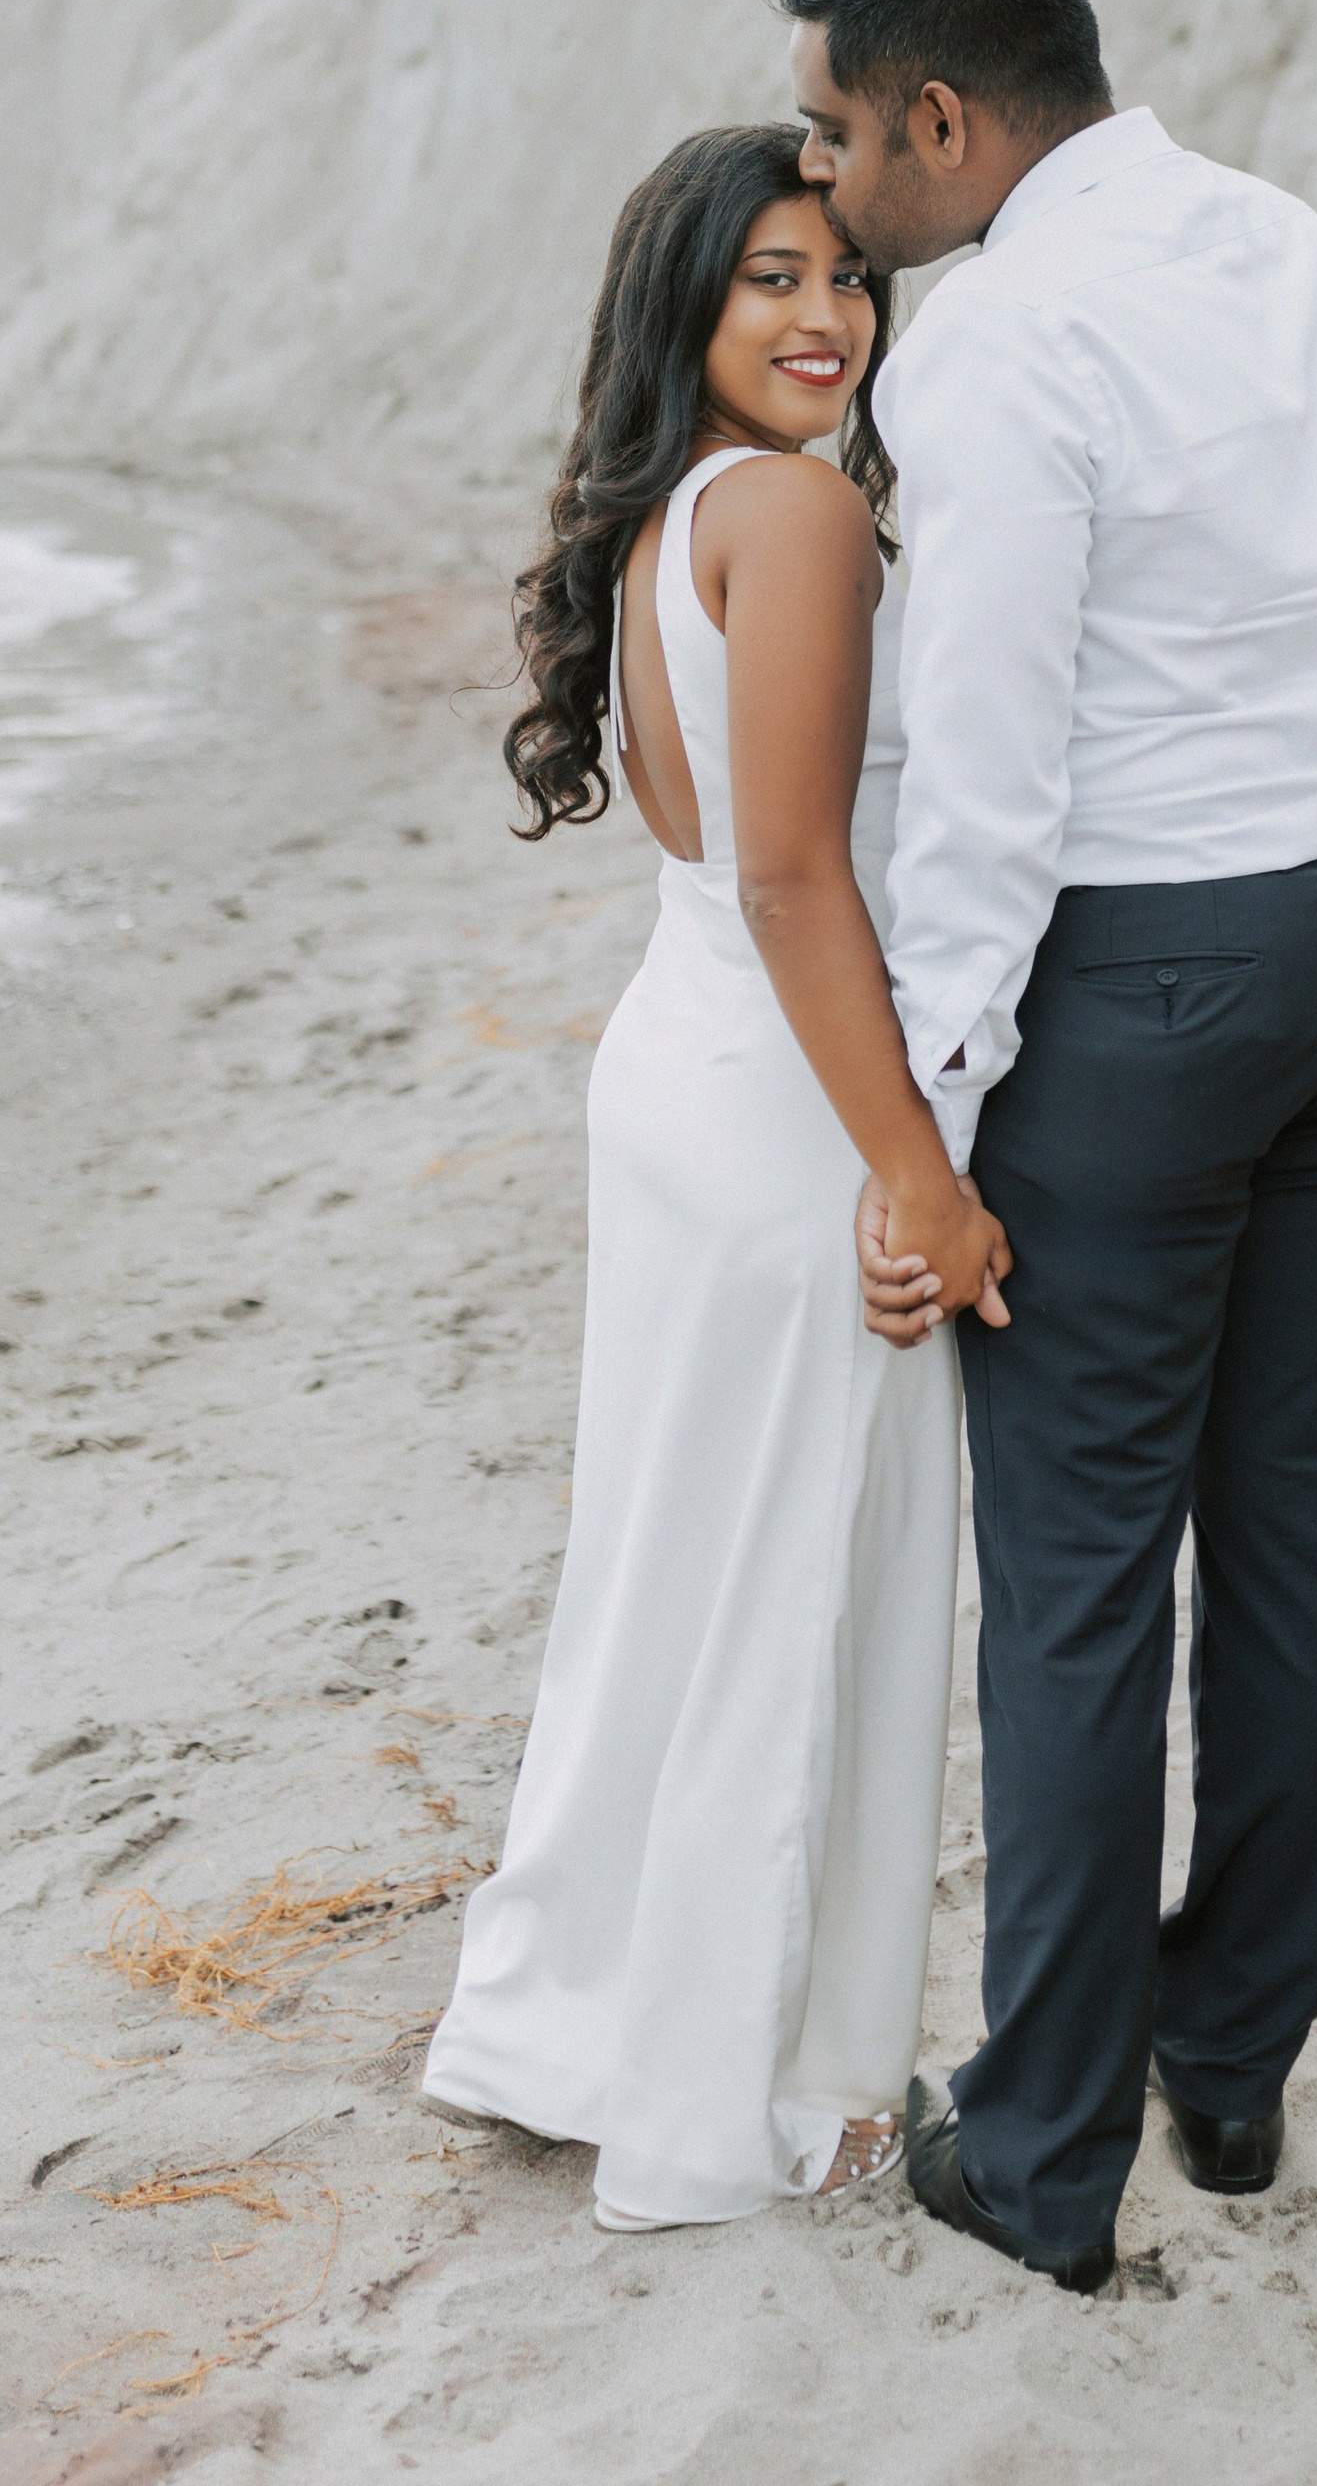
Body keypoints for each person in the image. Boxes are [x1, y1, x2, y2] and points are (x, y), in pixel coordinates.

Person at [785, 0, 1317, 2297]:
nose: (829, 186)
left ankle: (1045, 2155)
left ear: (945, 121)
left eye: (838, 133)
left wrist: (930, 1132)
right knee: (1283, 1504)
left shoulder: (999, 344)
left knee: (1075, 1577)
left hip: (1156, 977)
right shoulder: (1299, 248)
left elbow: (981, 788)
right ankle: (1236, 2057)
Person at [423, 125, 989, 2231]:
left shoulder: (679, 514)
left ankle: (564, 2017)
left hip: (681, 1065)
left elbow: (733, 873)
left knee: (663, 1565)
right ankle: (744, 2075)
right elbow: (791, 876)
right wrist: (912, 1170)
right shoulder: (801, 518)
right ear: (685, 302)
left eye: (845, 279)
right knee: (789, 1584)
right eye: (768, 277)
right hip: (784, 1099)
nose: (823, 316)